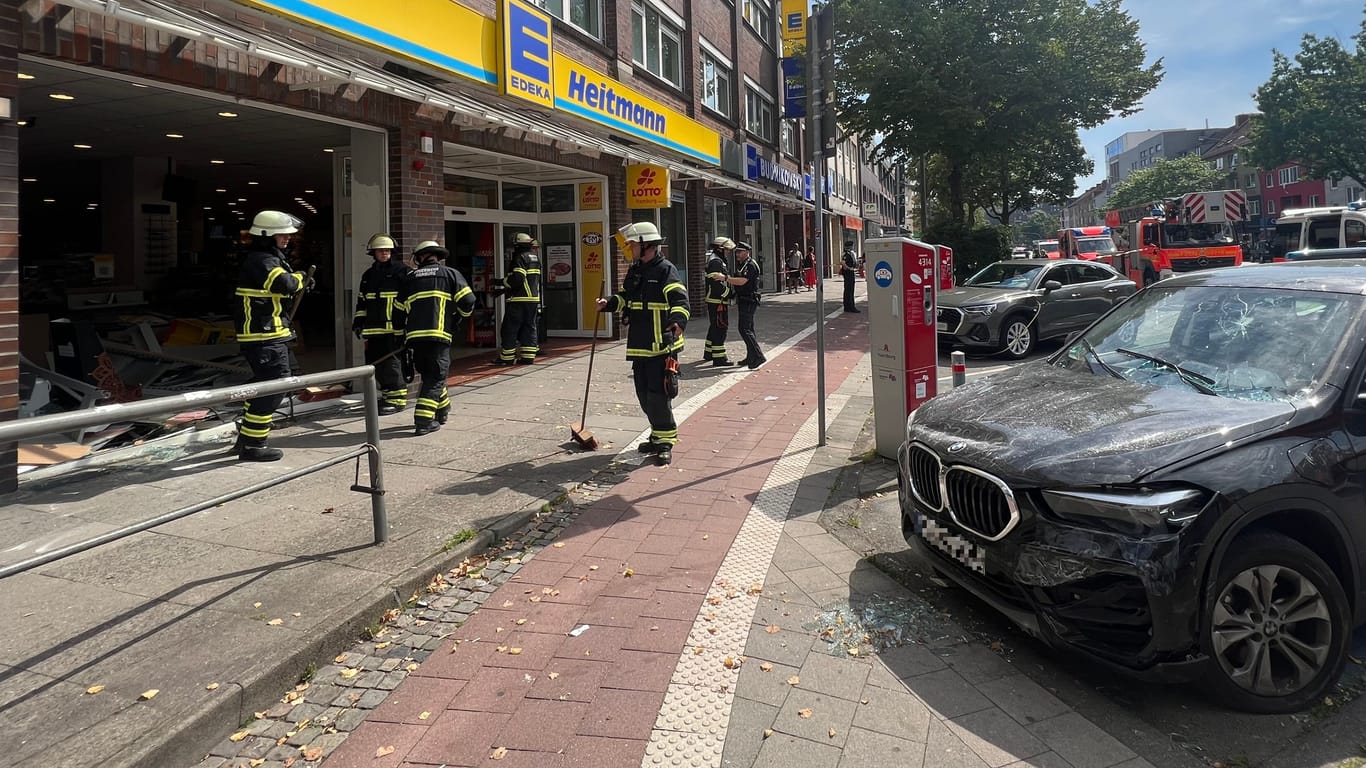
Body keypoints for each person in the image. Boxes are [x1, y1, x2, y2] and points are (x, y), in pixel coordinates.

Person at [597, 221, 688, 466]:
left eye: (632, 244)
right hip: (639, 344)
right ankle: (658, 434)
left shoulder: (665, 270)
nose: (629, 248)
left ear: (646, 244)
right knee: (643, 395)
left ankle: (666, 441)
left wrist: (678, 320)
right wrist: (609, 303)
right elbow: (627, 297)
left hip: (661, 344)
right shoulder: (636, 270)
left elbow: (679, 298)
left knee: (659, 396)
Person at [233, 210, 310, 462]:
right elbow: (284, 284)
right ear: (267, 235)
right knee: (275, 386)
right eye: (282, 234)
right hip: (263, 335)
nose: (287, 238)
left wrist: (299, 281)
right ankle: (253, 444)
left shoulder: (269, 258)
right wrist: (301, 278)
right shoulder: (262, 260)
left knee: (265, 385)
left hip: (271, 333)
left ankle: (245, 438)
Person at [399, 240, 476, 435]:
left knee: (429, 375)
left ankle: (442, 410)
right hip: (439, 335)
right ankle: (424, 421)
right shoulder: (450, 274)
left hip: (415, 339)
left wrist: (401, 335)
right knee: (435, 377)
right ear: (437, 256)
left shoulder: (410, 278)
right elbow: (468, 300)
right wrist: (459, 317)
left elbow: (398, 311)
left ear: (420, 257)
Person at [352, 233, 411, 414]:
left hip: (394, 329)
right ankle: (387, 396)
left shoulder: (403, 272)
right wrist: (358, 321)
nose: (384, 253)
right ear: (374, 253)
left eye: (387, 250)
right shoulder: (369, 275)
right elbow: (362, 301)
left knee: (392, 365)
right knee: (375, 364)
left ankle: (398, 399)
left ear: (392, 251)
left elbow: (410, 301)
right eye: (380, 251)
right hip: (373, 329)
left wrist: (406, 327)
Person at [714, 241, 765, 369]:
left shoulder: (750, 265)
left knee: (744, 329)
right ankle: (751, 356)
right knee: (749, 329)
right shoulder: (742, 264)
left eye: (740, 252)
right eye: (737, 251)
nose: (737, 254)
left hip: (749, 300)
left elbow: (742, 281)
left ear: (747, 252)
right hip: (743, 299)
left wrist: (725, 278)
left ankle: (758, 356)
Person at [494, 232, 543, 365]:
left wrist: (500, 282)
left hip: (519, 300)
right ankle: (528, 357)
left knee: (509, 328)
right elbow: (529, 280)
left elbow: (518, 279)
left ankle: (507, 358)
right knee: (529, 327)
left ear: (517, 245)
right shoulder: (535, 258)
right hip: (532, 299)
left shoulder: (519, 257)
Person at [703, 236, 735, 366]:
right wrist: (729, 294)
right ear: (720, 249)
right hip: (718, 300)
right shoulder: (716, 261)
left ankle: (709, 352)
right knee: (720, 327)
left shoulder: (716, 259)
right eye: (727, 249)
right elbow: (716, 284)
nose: (728, 252)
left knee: (714, 326)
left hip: (716, 300)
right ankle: (719, 358)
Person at [840, 241, 861, 313]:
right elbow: (842, 263)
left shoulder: (851, 253)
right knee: (849, 290)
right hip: (848, 273)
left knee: (849, 289)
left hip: (850, 272)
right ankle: (850, 306)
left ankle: (848, 306)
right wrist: (849, 268)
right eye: (852, 246)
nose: (853, 247)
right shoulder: (846, 254)